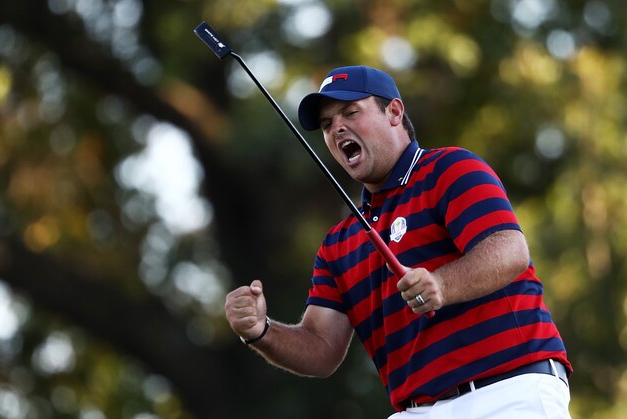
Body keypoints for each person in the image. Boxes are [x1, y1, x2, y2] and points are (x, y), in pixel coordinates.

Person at [224, 65, 572, 418]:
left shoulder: (449, 169)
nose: (337, 128)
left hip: (508, 391)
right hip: (417, 410)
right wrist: (260, 332)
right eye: (327, 124)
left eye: (350, 112)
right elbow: (321, 348)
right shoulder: (337, 244)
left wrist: (441, 283)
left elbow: (510, 251)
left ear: (394, 112)